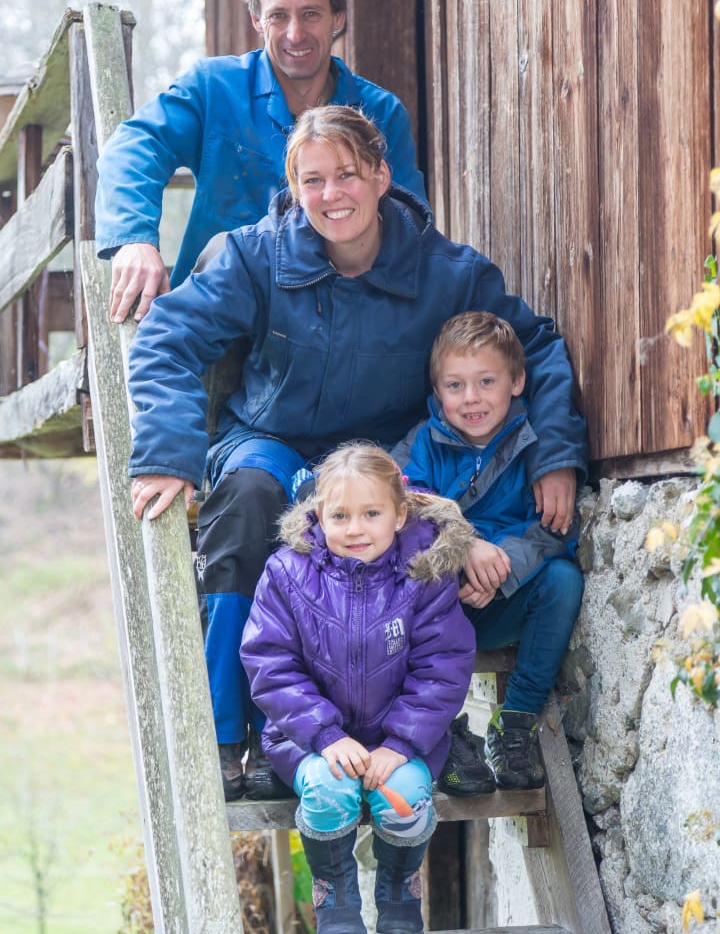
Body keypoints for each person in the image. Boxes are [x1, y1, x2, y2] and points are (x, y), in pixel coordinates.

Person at [127, 104, 587, 803]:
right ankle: (226, 735)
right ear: (294, 188)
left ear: (380, 176)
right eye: (312, 180)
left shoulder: (444, 272)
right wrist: (168, 451)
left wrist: (555, 455)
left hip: (383, 459)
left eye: (346, 174)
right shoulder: (256, 255)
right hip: (271, 440)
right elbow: (167, 337)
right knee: (246, 501)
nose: (331, 194)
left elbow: (539, 347)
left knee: (398, 524)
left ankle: (412, 732)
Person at [95, 0, 426, 323]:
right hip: (219, 317)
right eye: (278, 16)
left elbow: (407, 222)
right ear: (257, 20)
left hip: (335, 320)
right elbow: (136, 144)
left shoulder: (381, 113)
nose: (295, 34)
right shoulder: (213, 87)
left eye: (311, 14)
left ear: (338, 18)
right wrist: (134, 239)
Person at [240, 443, 477, 934]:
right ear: (318, 515)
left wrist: (402, 743)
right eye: (340, 516)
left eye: (371, 514)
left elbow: (442, 666)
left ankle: (399, 898)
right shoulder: (288, 572)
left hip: (401, 739)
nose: (355, 529)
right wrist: (325, 736)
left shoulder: (425, 574)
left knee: (406, 795)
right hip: (308, 739)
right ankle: (337, 904)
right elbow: (270, 664)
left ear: (399, 515)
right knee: (328, 790)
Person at [400, 311, 585, 793]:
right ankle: (441, 733)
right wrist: (463, 549)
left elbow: (554, 530)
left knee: (563, 580)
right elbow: (405, 509)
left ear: (517, 381)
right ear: (437, 390)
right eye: (455, 385)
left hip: (502, 598)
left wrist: (500, 569)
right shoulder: (424, 443)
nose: (471, 398)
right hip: (436, 604)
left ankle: (515, 724)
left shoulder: (535, 447)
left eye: (486, 381)